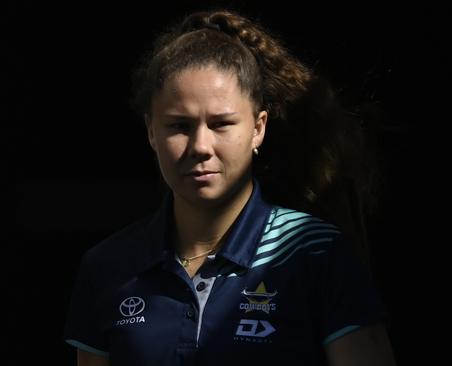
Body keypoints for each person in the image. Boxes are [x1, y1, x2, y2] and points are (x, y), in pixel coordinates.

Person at [64, 8, 395, 366]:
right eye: (179, 125)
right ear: (150, 132)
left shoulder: (314, 252)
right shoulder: (107, 266)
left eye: (221, 124)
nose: (200, 146)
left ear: (258, 128)